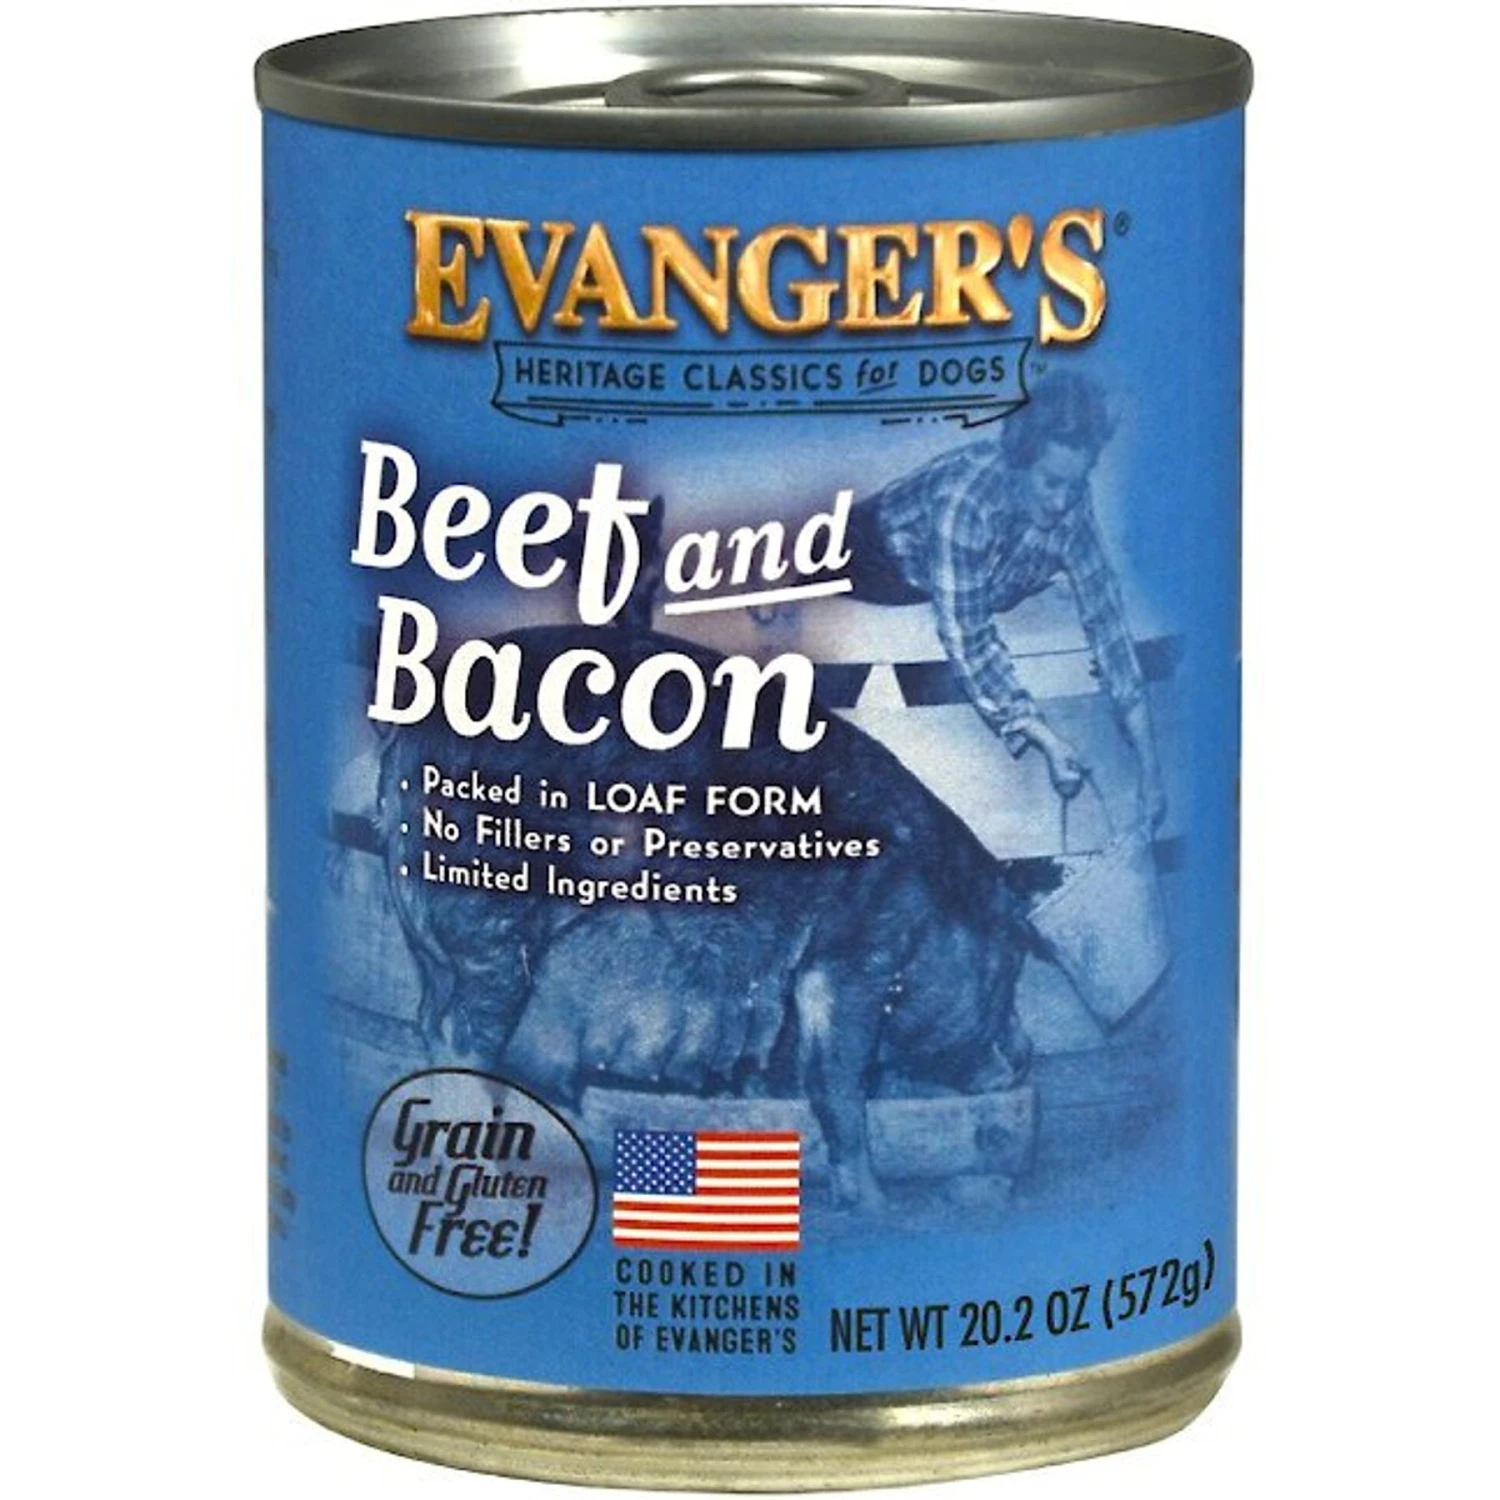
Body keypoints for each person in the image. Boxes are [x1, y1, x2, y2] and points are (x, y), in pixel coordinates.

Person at [844, 372, 1166, 830]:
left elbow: (1108, 625)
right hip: (858, 559)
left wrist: (1151, 774)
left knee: (952, 730)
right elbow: (970, 641)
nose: (1062, 502)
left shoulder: (1070, 501)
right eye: (1050, 483)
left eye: (1074, 486)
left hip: (945, 582)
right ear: (1019, 462)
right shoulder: (965, 498)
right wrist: (1047, 739)